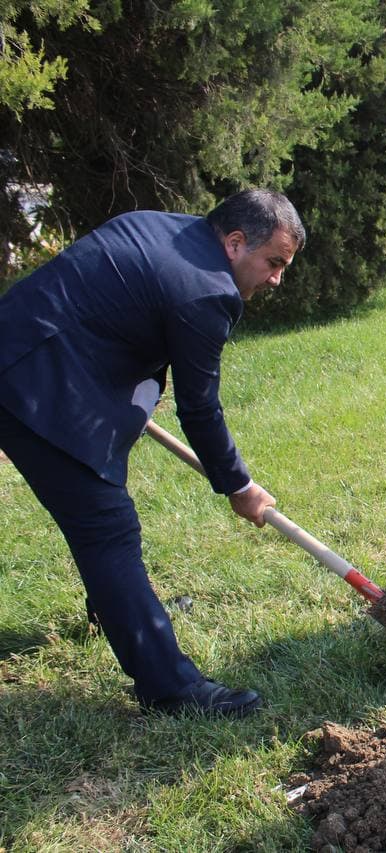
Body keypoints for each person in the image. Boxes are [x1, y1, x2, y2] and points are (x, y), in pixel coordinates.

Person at [0, 188, 305, 717]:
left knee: (104, 520)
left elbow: (111, 309)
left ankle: (118, 609)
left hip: (35, 354)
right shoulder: (208, 292)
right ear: (235, 243)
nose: (277, 278)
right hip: (34, 386)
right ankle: (171, 690)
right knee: (107, 526)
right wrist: (239, 486)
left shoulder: (164, 226)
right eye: (273, 262)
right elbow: (200, 407)